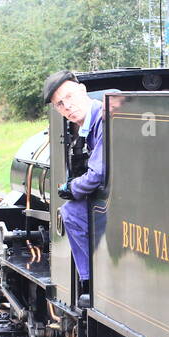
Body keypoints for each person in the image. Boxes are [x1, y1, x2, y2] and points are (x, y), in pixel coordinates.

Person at [42, 70, 104, 290]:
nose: (66, 106)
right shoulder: (90, 123)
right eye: (59, 104)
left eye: (69, 97)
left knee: (71, 212)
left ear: (82, 90)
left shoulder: (104, 120)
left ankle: (90, 279)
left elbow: (97, 173)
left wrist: (71, 188)